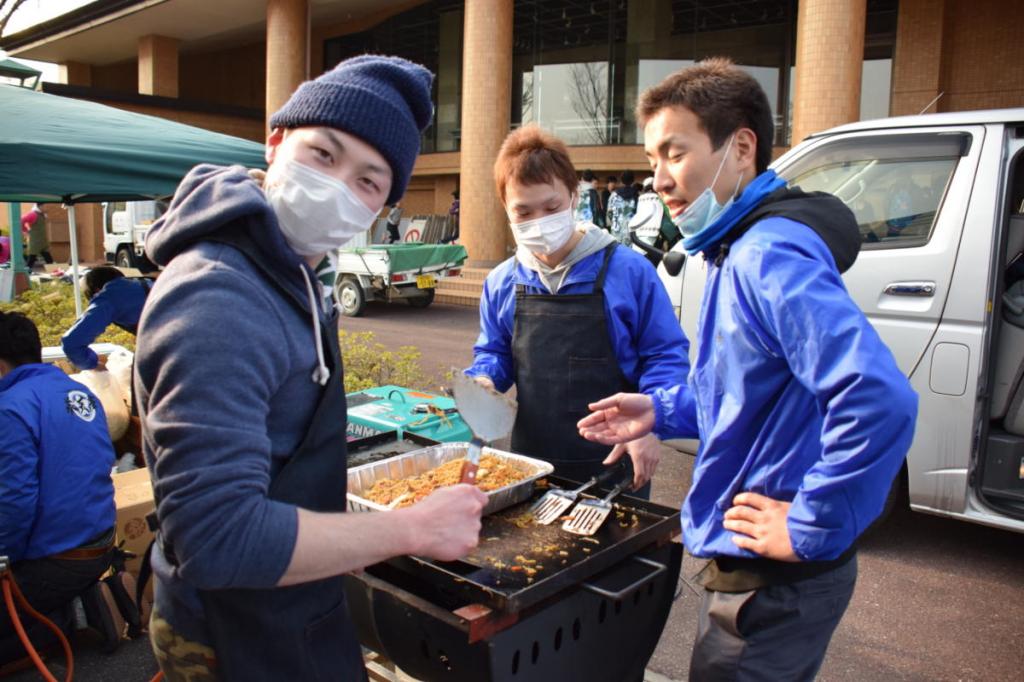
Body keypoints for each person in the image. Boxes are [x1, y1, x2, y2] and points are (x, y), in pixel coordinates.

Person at [134, 56, 486, 681]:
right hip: (233, 632)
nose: (339, 186)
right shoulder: (219, 297)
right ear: (276, 143)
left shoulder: (293, 274)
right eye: (324, 155)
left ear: (381, 207)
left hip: (289, 603)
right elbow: (217, 538)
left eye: (369, 181)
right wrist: (413, 528)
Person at [578, 58, 918, 681]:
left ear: (740, 147)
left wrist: (813, 522)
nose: (657, 179)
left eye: (674, 153)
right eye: (653, 160)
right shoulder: (735, 246)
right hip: (760, 571)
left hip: (777, 578)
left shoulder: (768, 252)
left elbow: (878, 398)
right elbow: (745, 391)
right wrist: (662, 409)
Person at [465, 125, 697, 494]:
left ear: (574, 197)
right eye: (523, 212)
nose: (539, 221)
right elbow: (495, 351)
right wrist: (484, 379)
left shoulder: (629, 271)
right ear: (506, 209)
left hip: (617, 452)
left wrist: (651, 421)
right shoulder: (502, 281)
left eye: (551, 207)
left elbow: (664, 354)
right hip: (532, 459)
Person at [0, 311, 116, 665]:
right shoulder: (75, 391)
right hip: (100, 542)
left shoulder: (9, 408)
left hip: (54, 559)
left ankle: (60, 619)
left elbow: (14, 504)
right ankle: (76, 601)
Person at [61, 266, 153, 371]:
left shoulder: (108, 296)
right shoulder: (148, 283)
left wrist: (93, 365)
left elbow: (72, 342)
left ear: (97, 291)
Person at [606, 170, 639, 244]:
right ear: (633, 181)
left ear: (621, 181)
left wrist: (615, 221)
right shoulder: (636, 196)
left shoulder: (614, 195)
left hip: (616, 230)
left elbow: (609, 213)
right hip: (631, 232)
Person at [20, 205, 52, 270]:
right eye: (44, 206)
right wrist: (25, 230)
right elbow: (22, 220)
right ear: (39, 207)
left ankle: (53, 270)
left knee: (48, 257)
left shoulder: (42, 215)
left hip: (43, 240)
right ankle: (27, 272)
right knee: (32, 257)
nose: (46, 207)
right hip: (35, 240)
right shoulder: (33, 214)